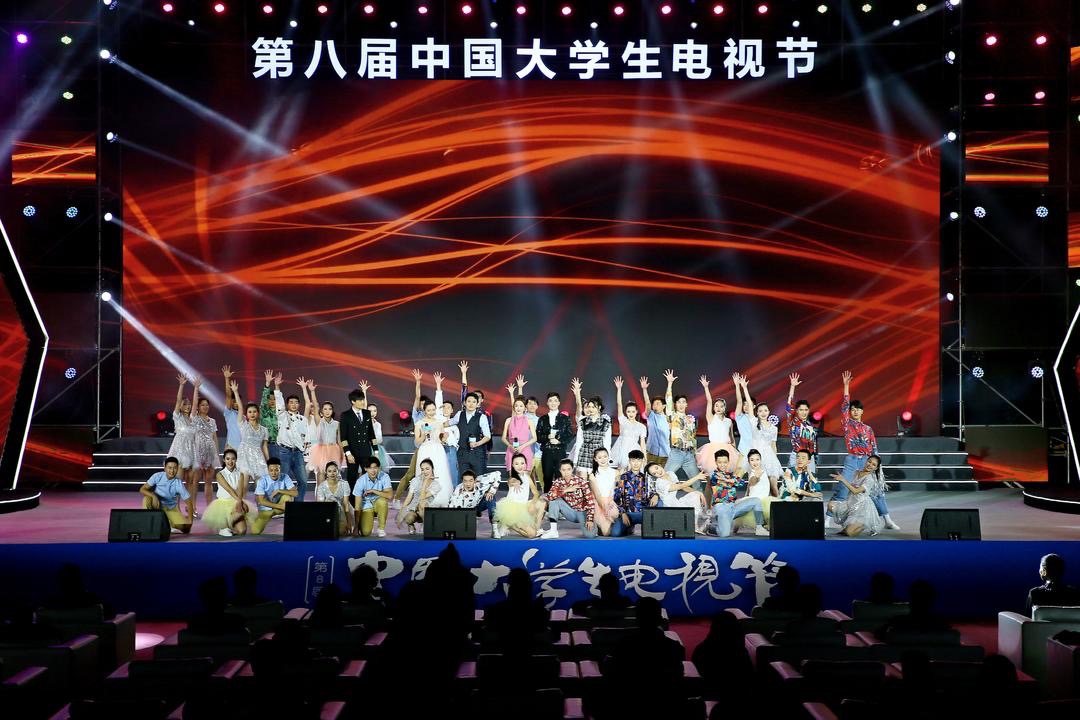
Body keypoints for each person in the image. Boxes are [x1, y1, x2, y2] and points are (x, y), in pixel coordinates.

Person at [705, 449, 768, 537]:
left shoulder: (730, 475)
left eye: (725, 462)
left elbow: (741, 483)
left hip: (734, 507)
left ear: (728, 462)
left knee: (756, 500)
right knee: (724, 534)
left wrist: (731, 479)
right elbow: (729, 483)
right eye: (720, 462)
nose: (722, 465)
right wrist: (731, 480)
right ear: (716, 462)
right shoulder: (713, 475)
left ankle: (759, 528)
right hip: (721, 508)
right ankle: (710, 527)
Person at [835, 370, 878, 498]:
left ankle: (882, 512)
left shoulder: (868, 429)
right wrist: (846, 386)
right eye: (852, 409)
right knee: (843, 486)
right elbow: (844, 407)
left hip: (866, 460)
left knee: (873, 489)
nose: (855, 411)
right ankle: (834, 510)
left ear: (862, 411)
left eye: (858, 409)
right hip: (852, 459)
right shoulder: (847, 424)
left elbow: (874, 447)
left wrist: (877, 463)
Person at [830, 454, 899, 532]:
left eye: (873, 465)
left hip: (861, 508)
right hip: (851, 503)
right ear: (866, 461)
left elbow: (855, 491)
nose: (870, 465)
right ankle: (851, 523)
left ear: (876, 468)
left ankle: (863, 524)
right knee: (831, 505)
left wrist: (843, 479)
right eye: (869, 462)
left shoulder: (870, 479)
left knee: (849, 532)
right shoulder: (856, 472)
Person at [737, 374, 783, 482]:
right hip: (755, 454)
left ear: (769, 412)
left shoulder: (773, 428)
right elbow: (749, 404)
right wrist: (744, 388)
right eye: (760, 411)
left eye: (765, 411)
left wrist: (774, 459)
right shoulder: (754, 422)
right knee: (752, 479)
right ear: (756, 412)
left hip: (768, 456)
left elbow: (773, 445)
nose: (763, 413)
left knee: (770, 482)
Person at [202, 448, 257, 537]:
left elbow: (240, 491)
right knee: (230, 525)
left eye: (233, 459)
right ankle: (223, 526)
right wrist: (240, 502)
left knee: (242, 531)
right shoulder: (220, 474)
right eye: (228, 459)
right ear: (224, 460)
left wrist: (240, 502)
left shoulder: (240, 474)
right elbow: (229, 489)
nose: (230, 461)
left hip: (235, 501)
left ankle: (230, 525)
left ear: (236, 460)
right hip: (223, 504)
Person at [273, 375, 310, 502]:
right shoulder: (282, 416)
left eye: (296, 402)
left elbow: (306, 438)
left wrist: (306, 453)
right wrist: (277, 386)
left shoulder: (303, 419)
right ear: (287, 404)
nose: (294, 404)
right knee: (282, 481)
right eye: (291, 402)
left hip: (298, 453)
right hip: (284, 452)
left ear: (299, 404)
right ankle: (279, 506)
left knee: (303, 481)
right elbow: (279, 403)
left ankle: (297, 505)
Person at [493, 453, 546, 539]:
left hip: (525, 506)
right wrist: (515, 482)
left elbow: (536, 493)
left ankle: (537, 528)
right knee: (532, 534)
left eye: (522, 463)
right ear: (513, 465)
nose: (520, 466)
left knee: (542, 503)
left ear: (526, 464)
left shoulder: (527, 477)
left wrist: (532, 504)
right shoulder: (513, 477)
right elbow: (510, 482)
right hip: (513, 510)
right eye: (516, 464)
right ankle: (510, 525)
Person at [541, 458, 597, 538]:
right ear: (560, 470)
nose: (566, 472)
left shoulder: (580, 481)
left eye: (568, 469)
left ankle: (597, 525)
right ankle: (553, 531)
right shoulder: (558, 482)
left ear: (572, 469)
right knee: (554, 501)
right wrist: (566, 490)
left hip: (582, 512)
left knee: (590, 535)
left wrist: (590, 519)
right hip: (569, 512)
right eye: (563, 470)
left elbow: (590, 501)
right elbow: (550, 497)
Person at [662, 369, 701, 482]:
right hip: (676, 452)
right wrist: (670, 383)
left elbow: (693, 438)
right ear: (675, 404)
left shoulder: (691, 419)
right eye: (679, 402)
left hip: (689, 454)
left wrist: (694, 453)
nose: (681, 404)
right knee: (665, 479)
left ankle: (699, 494)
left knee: (696, 482)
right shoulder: (673, 415)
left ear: (687, 404)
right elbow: (668, 400)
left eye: (683, 402)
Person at [303, 379, 344, 485]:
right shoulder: (319, 421)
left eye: (329, 409)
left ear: (332, 411)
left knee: (334, 476)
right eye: (325, 409)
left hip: (334, 450)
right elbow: (315, 405)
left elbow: (339, 441)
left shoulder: (337, 424)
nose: (327, 411)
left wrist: (342, 454)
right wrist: (312, 391)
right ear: (321, 411)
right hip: (321, 450)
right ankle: (320, 496)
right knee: (321, 474)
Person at [649, 461, 708, 534]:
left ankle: (695, 526)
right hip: (670, 506)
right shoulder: (660, 483)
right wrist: (697, 477)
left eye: (657, 468)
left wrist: (698, 492)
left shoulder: (670, 473)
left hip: (677, 501)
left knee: (695, 496)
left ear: (659, 465)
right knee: (695, 507)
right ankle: (695, 525)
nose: (658, 472)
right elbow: (680, 486)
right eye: (654, 473)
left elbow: (682, 486)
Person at [696, 374, 740, 474]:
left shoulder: (728, 421)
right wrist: (706, 387)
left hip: (727, 448)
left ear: (724, 408)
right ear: (714, 408)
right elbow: (709, 401)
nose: (719, 408)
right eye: (716, 406)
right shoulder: (711, 418)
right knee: (712, 475)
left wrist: (734, 448)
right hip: (712, 449)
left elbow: (731, 437)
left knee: (726, 475)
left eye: (721, 406)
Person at [570, 377, 612, 477]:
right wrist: (575, 459)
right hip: (584, 453)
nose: (591, 409)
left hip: (598, 454)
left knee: (595, 480)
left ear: (599, 407)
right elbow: (579, 441)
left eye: (593, 407)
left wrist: (608, 458)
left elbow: (607, 442)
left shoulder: (605, 423)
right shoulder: (583, 422)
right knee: (582, 481)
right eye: (589, 407)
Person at [139, 456, 193, 534]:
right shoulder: (157, 476)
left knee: (185, 529)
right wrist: (153, 496)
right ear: (165, 468)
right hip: (157, 506)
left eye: (175, 468)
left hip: (170, 509)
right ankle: (149, 524)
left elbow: (189, 503)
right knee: (146, 499)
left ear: (177, 468)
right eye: (169, 468)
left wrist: (190, 522)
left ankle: (167, 523)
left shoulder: (178, 483)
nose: (172, 471)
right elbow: (142, 489)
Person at [166, 373, 196, 510]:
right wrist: (181, 385)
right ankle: (175, 508)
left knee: (190, 482)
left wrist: (196, 388)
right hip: (179, 451)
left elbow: (195, 404)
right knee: (177, 482)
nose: (188, 406)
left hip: (191, 451)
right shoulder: (177, 417)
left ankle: (189, 508)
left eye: (189, 404)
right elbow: (178, 400)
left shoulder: (192, 419)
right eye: (185, 404)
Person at [414, 400, 452, 507]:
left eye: (433, 410)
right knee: (425, 473)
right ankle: (424, 499)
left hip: (438, 450)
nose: (431, 412)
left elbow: (441, 439)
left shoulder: (439, 422)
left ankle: (441, 498)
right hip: (425, 450)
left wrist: (444, 438)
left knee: (440, 472)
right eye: (429, 410)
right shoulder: (419, 423)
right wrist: (424, 434)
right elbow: (417, 441)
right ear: (424, 411)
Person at [190, 377, 220, 511]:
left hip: (210, 452)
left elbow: (215, 438)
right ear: (198, 407)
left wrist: (217, 455)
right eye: (202, 405)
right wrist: (196, 388)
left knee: (209, 481)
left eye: (207, 405)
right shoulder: (195, 418)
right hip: (198, 452)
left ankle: (209, 508)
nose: (205, 407)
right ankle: (193, 507)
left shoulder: (212, 421)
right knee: (195, 481)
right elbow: (194, 404)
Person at [611, 450, 657, 537]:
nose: (636, 463)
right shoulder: (622, 477)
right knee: (615, 533)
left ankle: (643, 525)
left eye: (638, 460)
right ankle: (629, 527)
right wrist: (623, 513)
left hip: (643, 513)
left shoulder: (646, 478)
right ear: (629, 461)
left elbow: (652, 492)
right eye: (633, 460)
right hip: (628, 514)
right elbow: (617, 497)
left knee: (650, 534)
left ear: (642, 461)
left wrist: (656, 495)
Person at [535, 390, 573, 490]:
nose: (553, 403)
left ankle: (561, 498)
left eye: (555, 400)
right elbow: (538, 437)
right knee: (547, 477)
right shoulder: (542, 419)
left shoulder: (565, 418)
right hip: (547, 452)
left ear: (559, 403)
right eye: (550, 400)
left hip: (560, 452)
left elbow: (570, 435)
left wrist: (559, 441)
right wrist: (547, 437)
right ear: (547, 403)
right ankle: (547, 498)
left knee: (560, 477)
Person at [339, 387, 377, 483]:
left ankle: (367, 493)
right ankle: (352, 493)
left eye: (363, 400)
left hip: (366, 451)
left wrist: (376, 451)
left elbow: (371, 434)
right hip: (353, 452)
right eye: (360, 400)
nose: (362, 402)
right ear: (353, 401)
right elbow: (343, 438)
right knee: (352, 477)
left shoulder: (367, 413)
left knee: (368, 477)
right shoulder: (346, 415)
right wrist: (348, 454)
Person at [609, 376, 647, 471]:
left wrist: (645, 457)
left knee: (633, 471)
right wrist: (619, 389)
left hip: (634, 449)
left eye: (633, 411)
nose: (631, 413)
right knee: (620, 471)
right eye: (629, 411)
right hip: (621, 449)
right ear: (626, 412)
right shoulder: (623, 421)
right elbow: (619, 404)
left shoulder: (641, 426)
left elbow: (643, 443)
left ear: (636, 412)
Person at [252, 458, 298, 534]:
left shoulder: (285, 477)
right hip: (267, 508)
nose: (274, 473)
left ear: (280, 469)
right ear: (268, 470)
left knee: (287, 497)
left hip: (280, 505)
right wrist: (279, 506)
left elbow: (295, 493)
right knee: (255, 531)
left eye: (276, 470)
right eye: (271, 470)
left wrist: (279, 490)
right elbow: (261, 501)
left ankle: (292, 527)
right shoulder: (262, 480)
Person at [448, 469, 500, 536]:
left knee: (490, 498)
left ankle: (495, 529)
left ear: (475, 480)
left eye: (471, 480)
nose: (468, 484)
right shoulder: (458, 491)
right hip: (467, 510)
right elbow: (452, 506)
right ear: (462, 481)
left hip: (479, 504)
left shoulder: (482, 481)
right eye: (465, 481)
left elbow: (498, 473)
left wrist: (491, 491)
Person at [452, 390, 491, 477]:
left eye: (474, 402)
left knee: (479, 478)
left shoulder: (482, 417)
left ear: (477, 404)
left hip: (477, 453)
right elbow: (448, 423)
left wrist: (477, 444)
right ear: (464, 403)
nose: (471, 404)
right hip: (462, 453)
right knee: (464, 479)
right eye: (469, 401)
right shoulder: (459, 414)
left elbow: (487, 436)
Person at [398, 458, 442, 533]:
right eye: (422, 469)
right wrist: (401, 511)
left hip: (426, 510)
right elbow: (409, 497)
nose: (425, 472)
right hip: (413, 509)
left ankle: (425, 524)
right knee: (408, 518)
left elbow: (422, 497)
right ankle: (411, 525)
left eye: (427, 469)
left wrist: (425, 482)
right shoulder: (416, 480)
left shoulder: (436, 485)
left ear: (432, 469)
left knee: (422, 503)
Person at [785, 372, 818, 472]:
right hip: (797, 456)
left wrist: (815, 460)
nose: (804, 412)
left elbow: (814, 444)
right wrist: (792, 386)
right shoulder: (793, 421)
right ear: (797, 411)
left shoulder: (811, 426)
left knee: (810, 480)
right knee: (791, 479)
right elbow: (789, 405)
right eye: (801, 410)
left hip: (809, 458)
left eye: (806, 410)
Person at [352, 457, 392, 537]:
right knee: (365, 532)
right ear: (365, 469)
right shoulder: (360, 481)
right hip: (366, 505)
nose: (373, 471)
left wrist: (373, 491)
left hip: (378, 501)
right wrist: (356, 526)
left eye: (375, 468)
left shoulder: (384, 476)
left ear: (378, 468)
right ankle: (366, 521)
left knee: (383, 502)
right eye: (370, 468)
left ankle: (381, 528)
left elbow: (389, 495)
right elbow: (357, 506)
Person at [235, 392, 269, 484]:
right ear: (246, 414)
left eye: (254, 411)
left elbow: (264, 447)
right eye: (249, 412)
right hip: (244, 456)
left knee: (260, 486)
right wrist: (235, 392)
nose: (252, 414)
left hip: (258, 457)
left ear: (258, 413)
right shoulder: (243, 425)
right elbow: (240, 408)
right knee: (244, 484)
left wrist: (268, 461)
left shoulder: (264, 430)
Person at [314, 461, 353, 536]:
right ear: (326, 473)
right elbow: (321, 506)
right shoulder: (322, 487)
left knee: (341, 532)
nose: (332, 473)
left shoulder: (344, 484)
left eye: (334, 471)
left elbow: (346, 504)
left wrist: (349, 522)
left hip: (341, 510)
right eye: (329, 471)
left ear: (338, 472)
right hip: (327, 511)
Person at [501, 389, 537, 470]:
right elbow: (503, 438)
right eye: (516, 406)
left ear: (525, 408)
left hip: (525, 449)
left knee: (525, 476)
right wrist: (510, 446)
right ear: (514, 407)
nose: (518, 408)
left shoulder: (529, 421)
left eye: (521, 406)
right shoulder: (508, 420)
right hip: (511, 450)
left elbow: (535, 438)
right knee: (513, 476)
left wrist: (522, 446)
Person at [639, 375, 670, 467]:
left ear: (664, 406)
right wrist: (644, 389)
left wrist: (669, 383)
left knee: (664, 474)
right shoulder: (651, 415)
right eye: (654, 404)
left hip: (666, 454)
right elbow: (647, 403)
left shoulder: (668, 417)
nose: (655, 406)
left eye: (658, 404)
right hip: (652, 453)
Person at [589, 447, 620, 536]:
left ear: (608, 457)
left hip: (612, 501)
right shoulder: (592, 475)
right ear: (595, 459)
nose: (603, 459)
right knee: (606, 533)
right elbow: (597, 494)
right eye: (600, 457)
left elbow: (617, 491)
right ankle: (599, 526)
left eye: (605, 456)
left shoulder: (616, 472)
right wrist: (604, 508)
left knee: (614, 521)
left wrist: (612, 503)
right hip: (599, 503)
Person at [744, 449, 778, 522]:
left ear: (760, 460)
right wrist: (756, 477)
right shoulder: (752, 473)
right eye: (752, 460)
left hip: (764, 499)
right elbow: (752, 482)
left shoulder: (764, 472)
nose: (755, 462)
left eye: (757, 459)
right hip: (755, 500)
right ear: (749, 462)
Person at [732, 372, 755, 473]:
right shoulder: (740, 417)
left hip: (756, 449)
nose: (746, 406)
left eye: (748, 405)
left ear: (754, 407)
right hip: (743, 449)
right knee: (737, 474)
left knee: (755, 476)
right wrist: (737, 386)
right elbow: (739, 401)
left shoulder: (755, 419)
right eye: (744, 405)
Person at [259, 370, 281, 460]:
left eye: (274, 399)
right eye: (270, 399)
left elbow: (279, 398)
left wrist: (277, 386)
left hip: (280, 446)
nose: (272, 401)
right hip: (266, 445)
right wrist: (267, 383)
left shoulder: (281, 413)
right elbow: (264, 399)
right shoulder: (264, 412)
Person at [221, 365, 242, 450]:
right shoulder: (229, 413)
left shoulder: (244, 417)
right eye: (234, 401)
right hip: (231, 447)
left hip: (243, 448)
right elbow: (228, 395)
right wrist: (227, 379)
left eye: (238, 401)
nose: (236, 403)